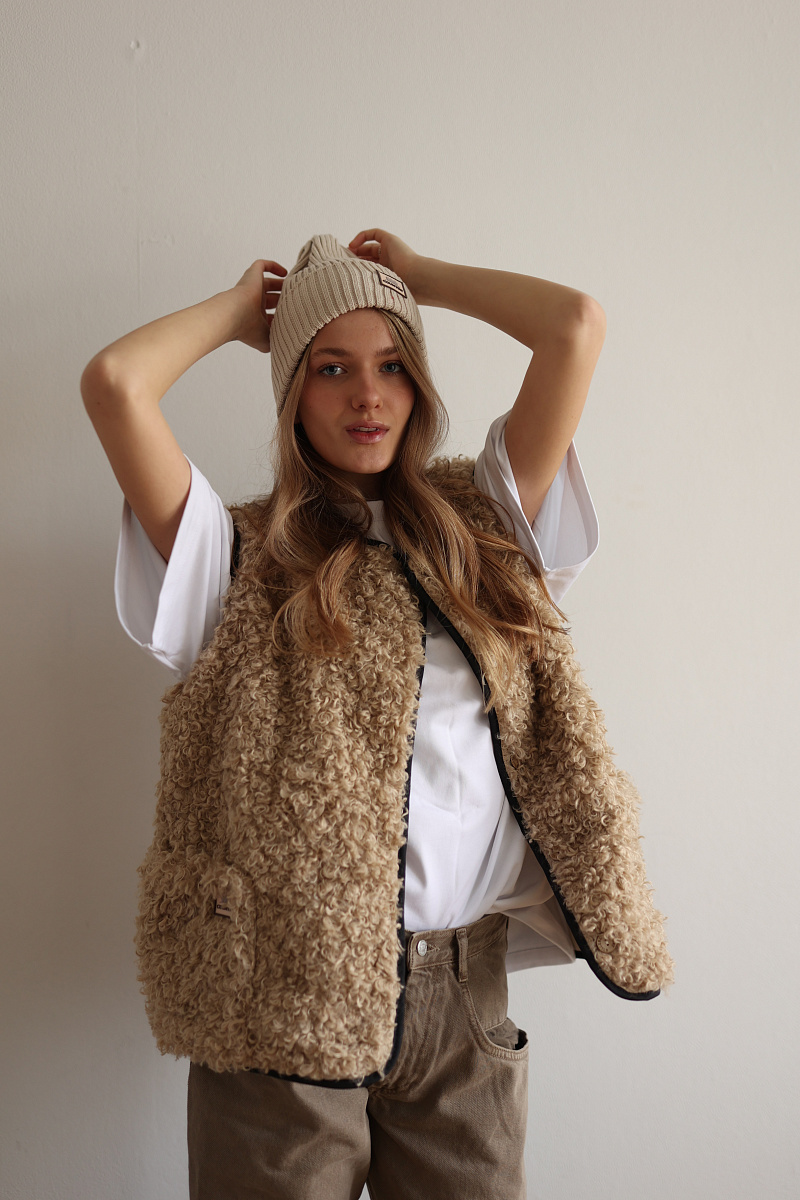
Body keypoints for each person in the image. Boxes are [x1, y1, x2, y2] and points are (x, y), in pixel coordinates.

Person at [81, 229, 673, 1200]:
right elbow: (115, 384)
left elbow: (574, 326)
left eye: (392, 365)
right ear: (292, 394)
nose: (367, 395)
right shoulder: (232, 559)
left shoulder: (483, 526)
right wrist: (240, 311)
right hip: (281, 992)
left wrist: (420, 278)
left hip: (464, 1000)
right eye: (331, 368)